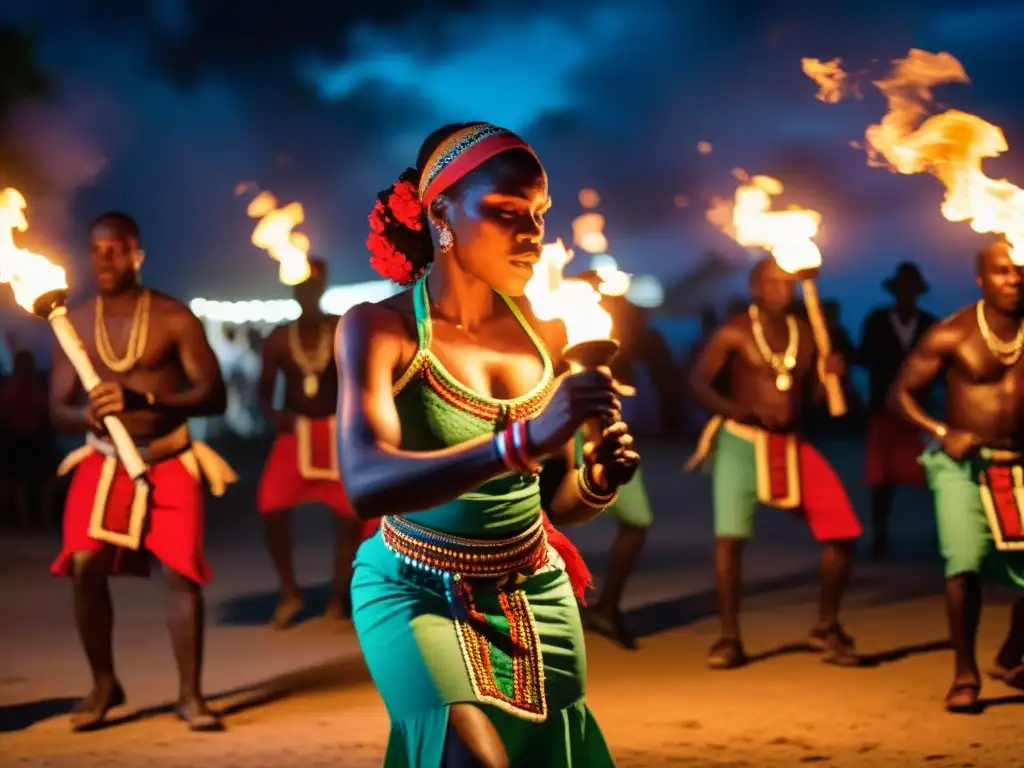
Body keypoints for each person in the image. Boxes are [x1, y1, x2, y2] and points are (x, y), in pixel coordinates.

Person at [339, 122, 638, 767]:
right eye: (506, 213)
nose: (532, 234)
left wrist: (598, 480)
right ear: (440, 212)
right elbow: (364, 480)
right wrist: (525, 438)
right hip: (414, 589)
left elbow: (556, 505)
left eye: (538, 214)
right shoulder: (378, 329)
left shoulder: (545, 332)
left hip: (536, 590)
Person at [49, 212, 235, 731]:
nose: (105, 258)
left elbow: (213, 395)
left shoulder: (174, 317)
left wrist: (144, 397)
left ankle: (189, 696)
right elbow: (56, 408)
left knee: (181, 573)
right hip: (101, 461)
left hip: (169, 459)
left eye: (116, 248)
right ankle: (104, 683)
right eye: (96, 249)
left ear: (138, 254)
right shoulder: (76, 322)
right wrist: (84, 413)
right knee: (84, 567)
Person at [686, 257, 862, 669]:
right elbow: (696, 381)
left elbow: (813, 400)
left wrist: (831, 376)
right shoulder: (734, 330)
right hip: (740, 442)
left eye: (789, 283)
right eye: (775, 283)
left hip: (790, 444)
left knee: (842, 529)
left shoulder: (806, 332)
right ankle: (729, 639)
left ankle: (826, 627)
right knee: (730, 540)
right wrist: (737, 411)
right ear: (757, 287)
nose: (784, 290)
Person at [888, 241, 1024, 713]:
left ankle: (1010, 655)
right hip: (964, 467)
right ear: (980, 279)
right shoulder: (954, 332)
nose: (1014, 279)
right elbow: (900, 394)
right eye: (1002, 271)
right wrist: (941, 431)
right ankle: (965, 673)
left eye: (1020, 270)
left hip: (1021, 465)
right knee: (963, 563)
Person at [538, 269, 653, 651]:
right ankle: (548, 614)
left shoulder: (616, 331)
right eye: (594, 292)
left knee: (636, 520)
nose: (600, 299)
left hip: (606, 439)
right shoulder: (554, 326)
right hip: (558, 436)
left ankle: (607, 606)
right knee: (544, 523)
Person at [256, 257, 363, 628]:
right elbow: (264, 394)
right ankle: (289, 594)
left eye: (314, 285)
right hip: (294, 436)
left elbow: (359, 381)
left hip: (337, 435)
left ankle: (338, 597)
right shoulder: (279, 338)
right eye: (302, 286)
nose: (307, 292)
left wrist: (352, 421)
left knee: (351, 517)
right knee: (271, 507)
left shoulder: (340, 330)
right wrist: (276, 417)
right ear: (293, 289)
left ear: (323, 287)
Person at [859, 262, 937, 557]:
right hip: (883, 411)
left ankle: (941, 532)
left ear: (917, 293)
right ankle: (880, 535)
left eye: (911, 290)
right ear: (894, 292)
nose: (907, 294)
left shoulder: (930, 323)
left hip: (919, 413)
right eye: (902, 289)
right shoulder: (877, 320)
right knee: (881, 477)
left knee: (932, 474)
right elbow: (863, 356)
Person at [0, 349, 54, 527]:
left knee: (45, 479)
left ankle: (43, 518)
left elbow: (46, 411)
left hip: (36, 437)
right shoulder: (9, 388)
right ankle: (24, 520)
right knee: (17, 482)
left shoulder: (39, 386)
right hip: (15, 438)